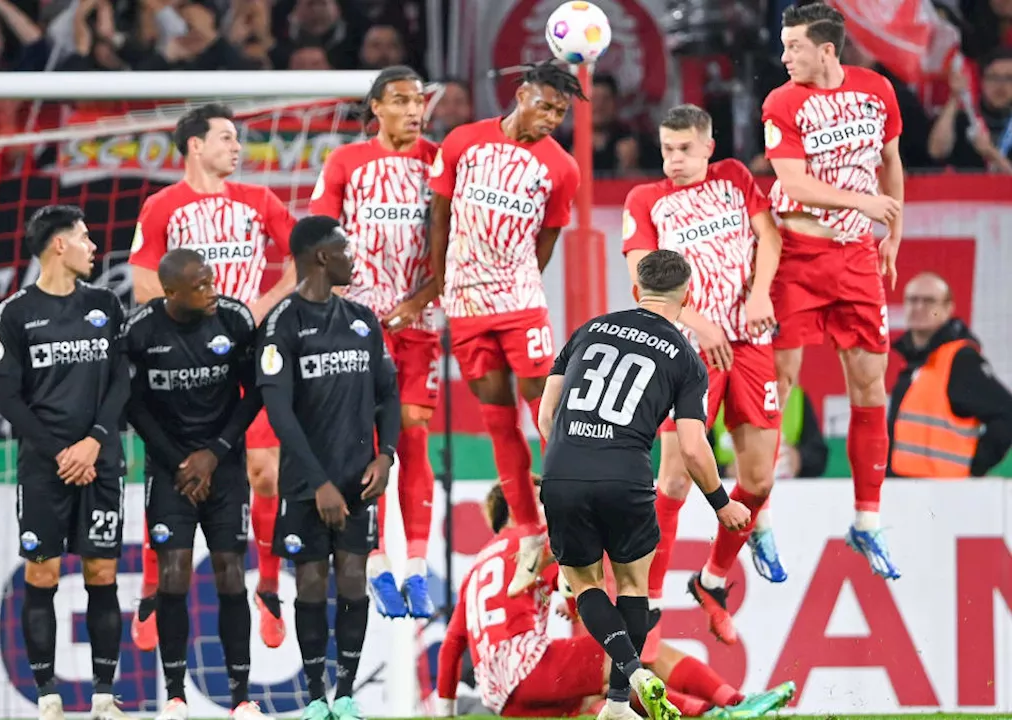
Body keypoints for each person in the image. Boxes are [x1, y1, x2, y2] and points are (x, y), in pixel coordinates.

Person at [536, 250, 751, 720]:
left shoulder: (588, 330)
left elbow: (546, 411)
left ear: (637, 291)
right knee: (634, 588)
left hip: (565, 468)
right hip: (626, 477)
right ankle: (621, 696)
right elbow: (693, 447)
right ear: (686, 296)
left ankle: (625, 690)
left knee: (583, 584)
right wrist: (721, 505)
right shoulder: (688, 360)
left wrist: (562, 460)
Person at [128, 103, 298, 650]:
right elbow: (141, 284)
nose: (237, 147)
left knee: (266, 473)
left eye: (238, 138)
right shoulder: (162, 207)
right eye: (226, 137)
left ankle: (269, 587)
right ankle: (154, 585)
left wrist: (264, 303)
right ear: (194, 145)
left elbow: (305, 255)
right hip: (183, 364)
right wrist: (199, 320)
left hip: (247, 354)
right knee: (174, 471)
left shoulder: (259, 201)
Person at [621, 104, 786, 648]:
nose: (674, 159)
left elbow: (772, 237)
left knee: (759, 479)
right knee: (672, 479)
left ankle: (712, 582)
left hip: (751, 342)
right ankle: (647, 605)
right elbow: (643, 284)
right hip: (685, 350)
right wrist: (699, 322)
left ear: (708, 146)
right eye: (666, 149)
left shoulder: (736, 178)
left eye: (684, 148)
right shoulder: (644, 201)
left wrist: (760, 292)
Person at [434, 484, 796, 719]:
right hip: (529, 668)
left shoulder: (477, 566)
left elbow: (452, 645)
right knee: (634, 652)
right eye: (537, 496)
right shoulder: (528, 543)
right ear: (517, 509)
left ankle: (702, 710)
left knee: (604, 702)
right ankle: (727, 707)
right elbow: (571, 571)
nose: (546, 505)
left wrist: (445, 710)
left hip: (503, 699)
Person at [428, 60, 584, 595]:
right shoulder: (463, 142)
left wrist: (518, 285)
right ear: (521, 93)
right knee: (498, 421)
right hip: (466, 306)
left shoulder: (561, 168)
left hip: (519, 303)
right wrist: (442, 282)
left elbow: (548, 239)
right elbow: (441, 215)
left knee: (547, 413)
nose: (550, 118)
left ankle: (572, 532)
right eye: (544, 105)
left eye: (559, 113)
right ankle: (530, 532)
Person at [762, 1, 905, 579]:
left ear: (826, 50)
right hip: (796, 255)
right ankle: (759, 516)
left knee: (870, 383)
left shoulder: (877, 90)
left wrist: (892, 233)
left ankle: (867, 522)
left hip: (856, 259)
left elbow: (892, 163)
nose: (783, 55)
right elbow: (792, 181)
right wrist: (867, 204)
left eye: (792, 45)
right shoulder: (782, 101)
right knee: (779, 381)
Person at [0, 205, 131, 720]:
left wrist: (93, 441)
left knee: (101, 570)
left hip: (101, 460)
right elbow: (8, 400)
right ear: (58, 246)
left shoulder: (105, 305)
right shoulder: (16, 313)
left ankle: (103, 697)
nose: (94, 246)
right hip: (45, 468)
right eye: (85, 237)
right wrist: (60, 452)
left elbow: (121, 381)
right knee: (43, 573)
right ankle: (48, 696)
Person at [256, 215, 401, 720]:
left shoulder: (363, 320)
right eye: (344, 249)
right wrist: (318, 483)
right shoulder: (282, 325)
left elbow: (388, 395)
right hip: (305, 486)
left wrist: (386, 456)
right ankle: (314, 697)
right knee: (313, 584)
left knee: (356, 579)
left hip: (358, 481)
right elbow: (279, 413)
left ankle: (346, 694)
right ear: (321, 256)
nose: (352, 257)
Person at [309, 65, 439, 619]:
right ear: (377, 108)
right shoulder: (345, 162)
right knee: (365, 442)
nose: (414, 110)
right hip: (358, 326)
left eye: (420, 101)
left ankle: (418, 564)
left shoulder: (441, 161)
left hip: (419, 323)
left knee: (412, 429)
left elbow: (455, 244)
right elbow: (318, 238)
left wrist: (416, 301)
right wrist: (343, 303)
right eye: (402, 100)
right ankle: (378, 560)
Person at [120, 249, 270, 720]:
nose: (212, 290)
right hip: (170, 471)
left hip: (223, 467)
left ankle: (241, 698)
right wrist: (178, 462)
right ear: (171, 293)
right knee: (173, 578)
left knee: (229, 576)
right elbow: (133, 405)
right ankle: (175, 696)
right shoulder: (141, 331)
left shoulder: (234, 319)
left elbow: (256, 391)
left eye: (211, 280)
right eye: (200, 285)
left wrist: (215, 453)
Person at [888, 272, 1012, 477]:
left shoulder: (960, 360)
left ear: (948, 308)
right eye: (912, 300)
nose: (919, 307)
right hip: (908, 491)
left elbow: (1006, 412)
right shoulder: (916, 361)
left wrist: (974, 465)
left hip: (944, 493)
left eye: (929, 301)